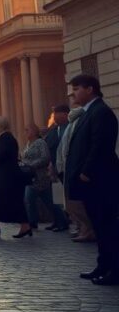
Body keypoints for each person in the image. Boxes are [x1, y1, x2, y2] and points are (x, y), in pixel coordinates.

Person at [64, 74, 119, 285]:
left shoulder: (101, 112)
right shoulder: (89, 112)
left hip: (100, 181)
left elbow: (100, 146)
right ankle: (103, 265)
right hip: (92, 183)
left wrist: (86, 172)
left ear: (90, 89)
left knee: (107, 227)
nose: (73, 93)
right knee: (100, 226)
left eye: (77, 89)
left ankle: (114, 269)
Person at [0, 117, 31, 238]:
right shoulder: (5, 138)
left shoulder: (6, 138)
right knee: (2, 200)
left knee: (11, 200)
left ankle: (24, 226)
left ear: (0, 125)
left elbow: (1, 156)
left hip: (8, 176)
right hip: (5, 175)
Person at [20, 122, 68, 233]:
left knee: (29, 199)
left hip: (40, 177)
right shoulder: (28, 143)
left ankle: (33, 223)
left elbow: (45, 157)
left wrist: (31, 165)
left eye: (27, 130)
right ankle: (60, 221)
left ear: (34, 131)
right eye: (25, 130)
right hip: (31, 177)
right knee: (47, 201)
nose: (25, 132)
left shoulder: (40, 142)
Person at [58, 101, 95, 241]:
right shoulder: (70, 125)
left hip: (75, 168)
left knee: (77, 202)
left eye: (76, 89)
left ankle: (87, 230)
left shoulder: (80, 121)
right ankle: (82, 228)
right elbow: (64, 146)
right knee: (70, 203)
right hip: (67, 168)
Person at [42, 104, 71, 232]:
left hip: (68, 168)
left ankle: (68, 222)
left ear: (65, 114)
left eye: (56, 114)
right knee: (57, 198)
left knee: (70, 197)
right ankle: (58, 221)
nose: (54, 117)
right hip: (54, 169)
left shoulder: (70, 128)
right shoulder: (54, 130)